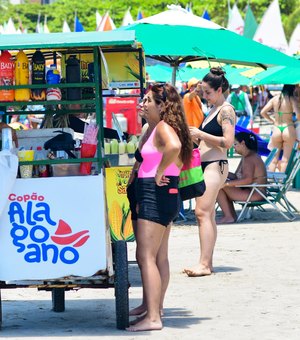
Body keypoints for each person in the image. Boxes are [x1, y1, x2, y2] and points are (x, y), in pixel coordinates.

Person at [126, 83, 193, 332]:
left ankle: (153, 317)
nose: (143, 103)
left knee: (146, 256)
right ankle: (153, 308)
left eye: (148, 100)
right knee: (156, 256)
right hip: (160, 193)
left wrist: (160, 171)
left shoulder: (164, 128)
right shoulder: (156, 128)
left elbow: (174, 147)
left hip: (156, 193)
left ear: (162, 105)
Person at [183, 67, 236, 277]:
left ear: (220, 89)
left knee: (202, 212)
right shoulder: (213, 109)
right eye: (203, 92)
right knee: (208, 214)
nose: (204, 95)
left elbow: (228, 142)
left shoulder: (226, 110)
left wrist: (200, 133)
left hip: (216, 165)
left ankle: (204, 264)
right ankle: (207, 262)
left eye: (208, 92)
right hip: (207, 164)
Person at [216, 132, 267, 224]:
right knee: (220, 185)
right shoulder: (247, 156)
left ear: (243, 143)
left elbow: (247, 180)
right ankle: (230, 215)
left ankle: (229, 216)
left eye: (235, 144)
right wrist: (222, 173)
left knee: (218, 187)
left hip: (256, 193)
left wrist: (226, 184)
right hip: (253, 191)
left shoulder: (249, 158)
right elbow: (237, 177)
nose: (233, 147)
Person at [260, 84, 298, 172]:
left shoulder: (275, 99)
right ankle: (281, 182)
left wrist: (272, 120)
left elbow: (263, 112)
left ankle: (270, 180)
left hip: (276, 128)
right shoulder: (292, 99)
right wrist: (295, 121)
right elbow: (298, 115)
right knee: (285, 159)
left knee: (273, 159)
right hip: (288, 128)